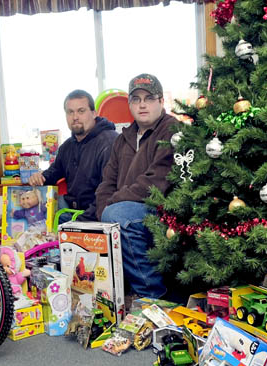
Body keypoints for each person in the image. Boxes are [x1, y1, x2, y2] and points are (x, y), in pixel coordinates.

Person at [95, 73, 178, 301]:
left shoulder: (172, 130)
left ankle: (153, 297)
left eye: (149, 98)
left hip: (161, 210)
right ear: (130, 104)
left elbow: (155, 182)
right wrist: (104, 210)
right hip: (125, 209)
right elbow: (106, 183)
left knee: (117, 215)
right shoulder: (123, 139)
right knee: (95, 220)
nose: (142, 104)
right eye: (136, 99)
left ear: (161, 101)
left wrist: (112, 206)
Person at [28, 89, 117, 222]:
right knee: (32, 215)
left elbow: (109, 192)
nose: (75, 117)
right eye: (70, 112)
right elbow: (54, 172)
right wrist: (40, 177)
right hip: (71, 209)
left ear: (93, 113)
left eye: (81, 111)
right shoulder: (67, 146)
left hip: (96, 214)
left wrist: (79, 223)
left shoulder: (109, 143)